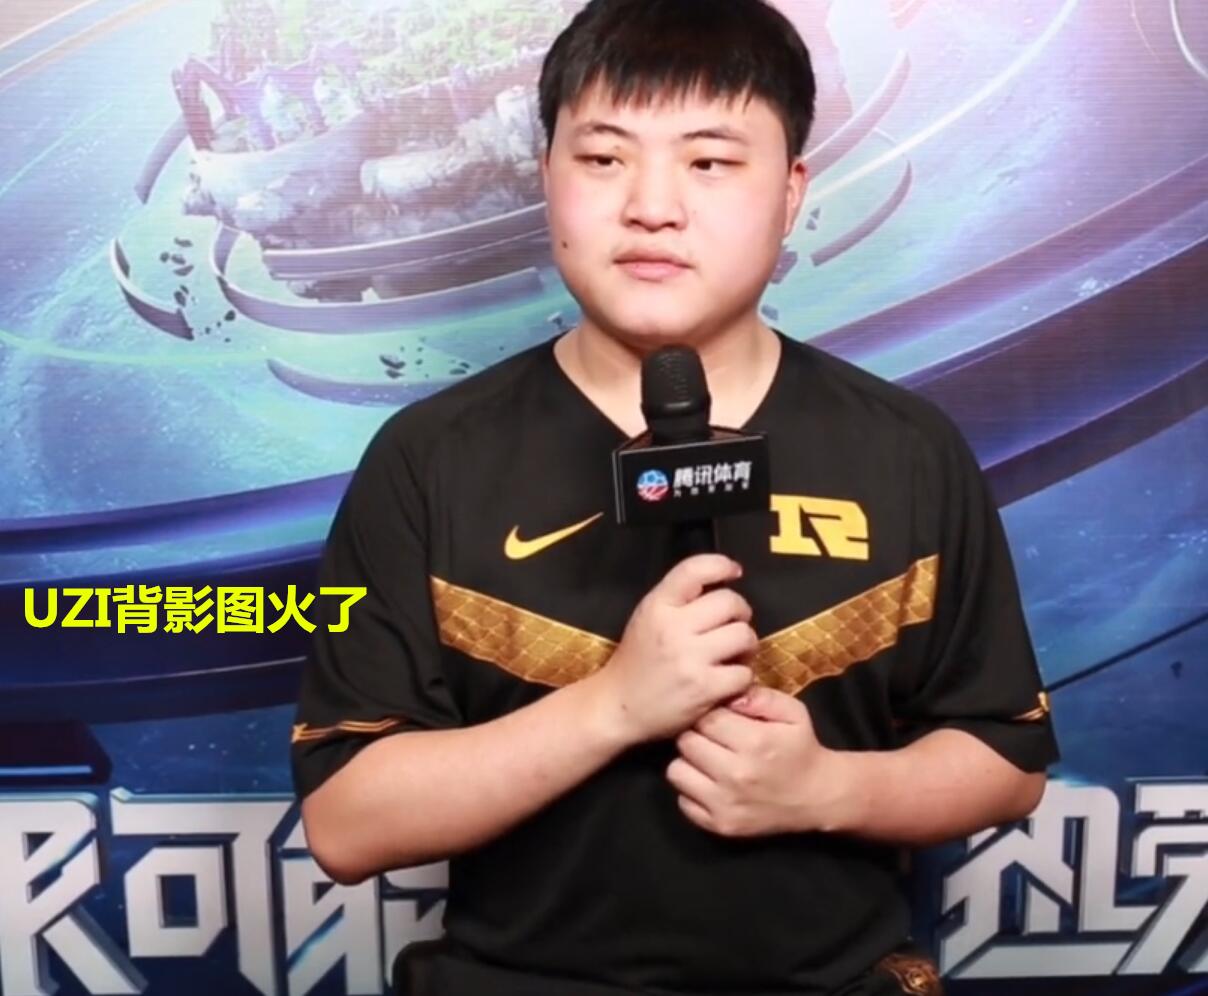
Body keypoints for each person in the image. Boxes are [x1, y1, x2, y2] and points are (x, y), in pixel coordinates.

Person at [290, 1, 1060, 993]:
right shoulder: (427, 459)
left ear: (791, 191)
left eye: (709, 161)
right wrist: (612, 707)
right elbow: (347, 823)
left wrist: (825, 787)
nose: (652, 206)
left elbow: (1006, 760)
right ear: (546, 177)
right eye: (604, 158)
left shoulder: (906, 450)